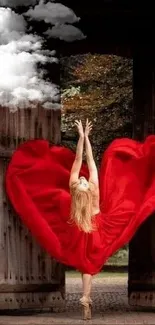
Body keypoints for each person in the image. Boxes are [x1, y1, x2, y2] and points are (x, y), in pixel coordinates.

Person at [69, 119, 99, 319]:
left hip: (79, 230)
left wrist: (80, 137)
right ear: (88, 190)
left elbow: (78, 160)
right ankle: (85, 298)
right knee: (89, 266)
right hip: (96, 229)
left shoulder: (73, 190)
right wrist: (87, 138)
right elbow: (89, 162)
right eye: (83, 182)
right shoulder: (94, 194)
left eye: (81, 181)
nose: (82, 178)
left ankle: (86, 298)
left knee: (85, 266)